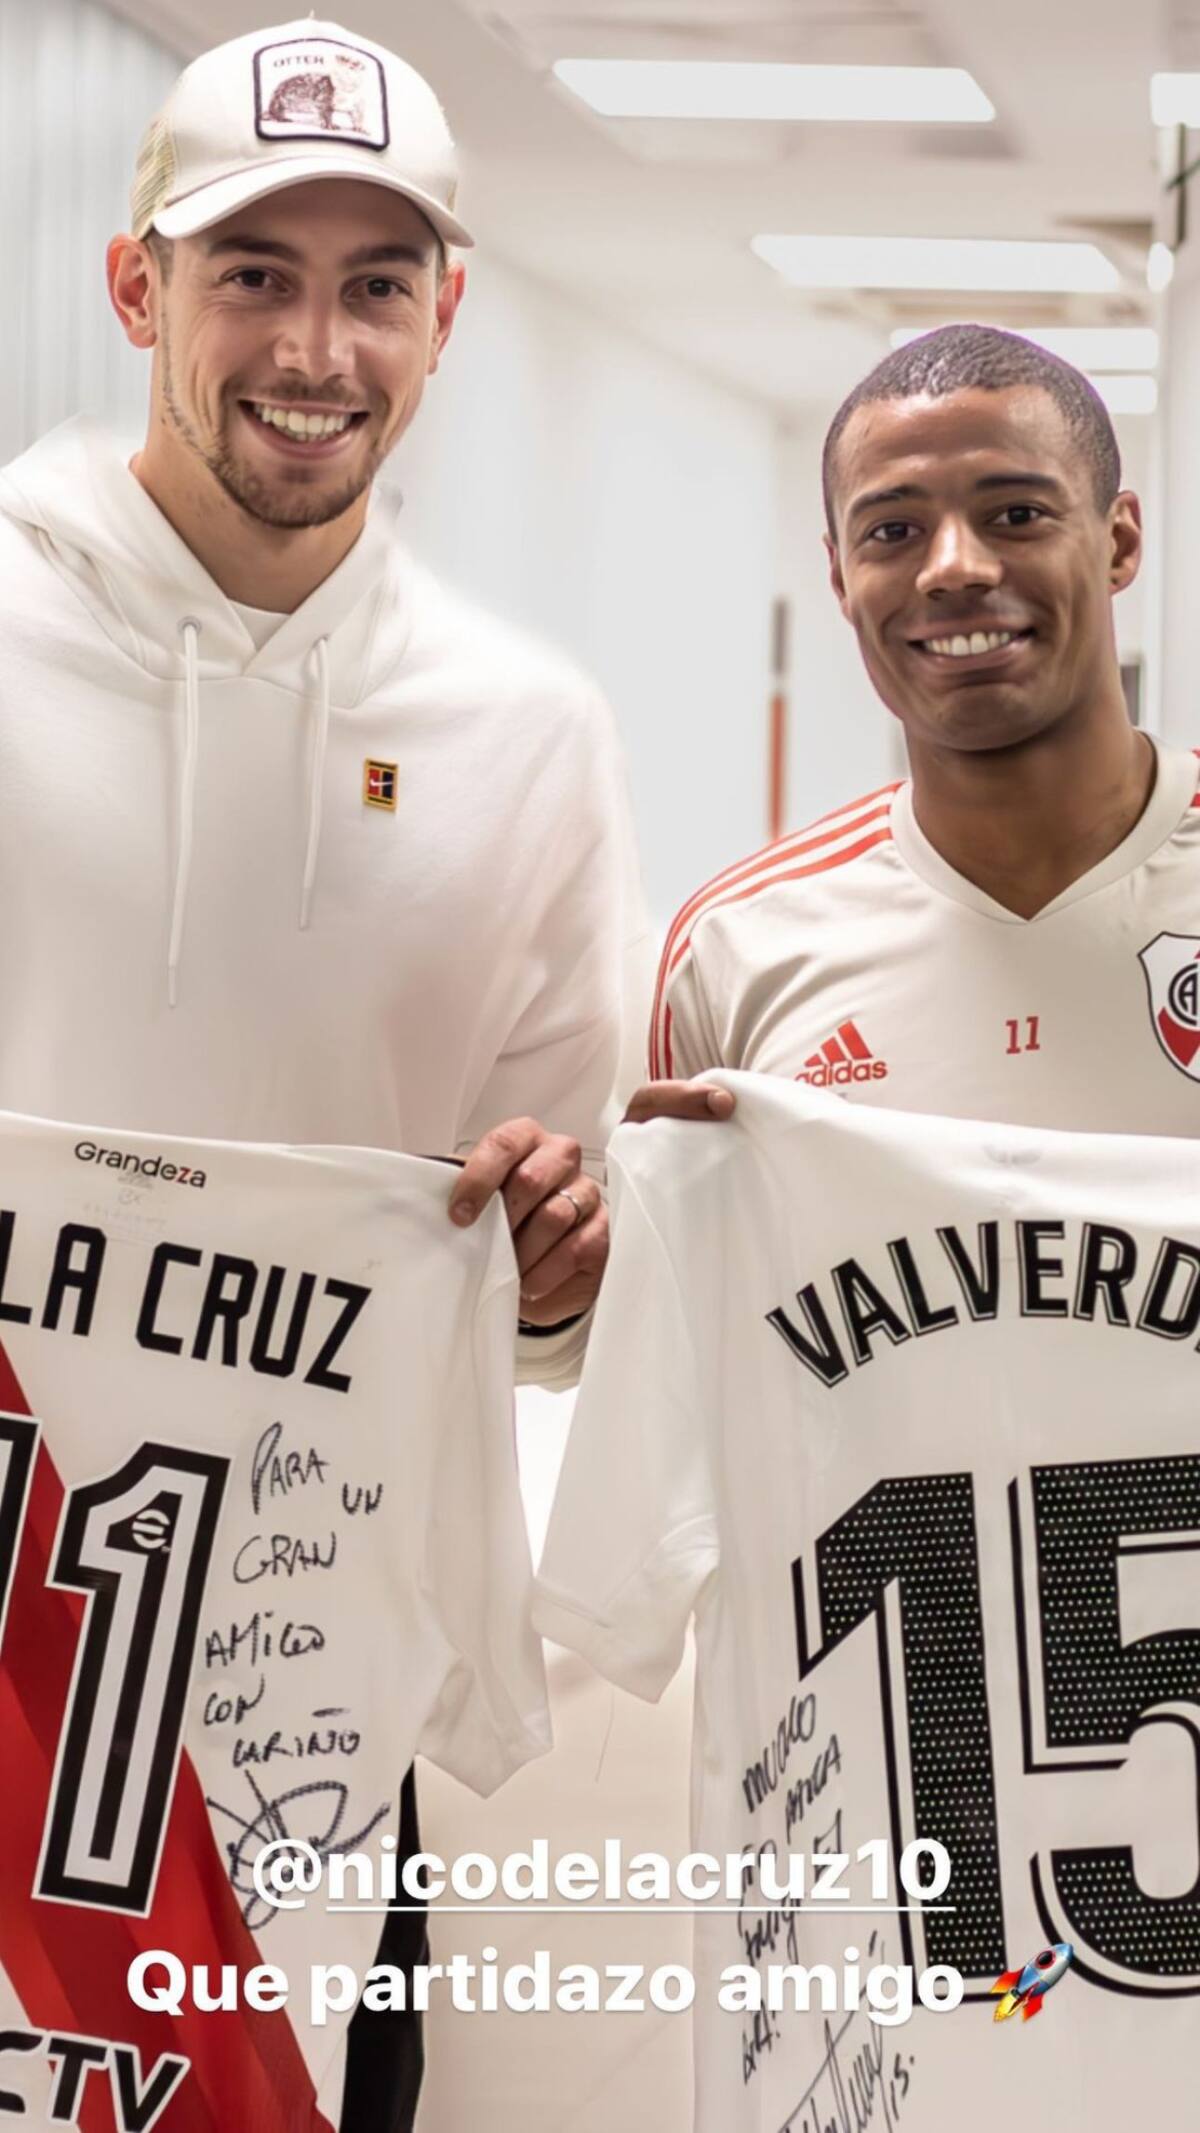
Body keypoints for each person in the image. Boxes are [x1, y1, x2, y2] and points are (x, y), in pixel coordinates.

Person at [0, 15, 648, 2128]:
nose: (318, 344)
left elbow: (572, 1280)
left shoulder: (529, 731)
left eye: (379, 284)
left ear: (443, 315)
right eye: (252, 273)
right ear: (135, 292)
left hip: (293, 1668)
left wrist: (560, 1259)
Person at [641, 324, 1200, 1132]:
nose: (953, 568)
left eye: (1015, 514)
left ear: (1119, 542)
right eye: (894, 531)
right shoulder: (736, 946)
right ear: (840, 576)